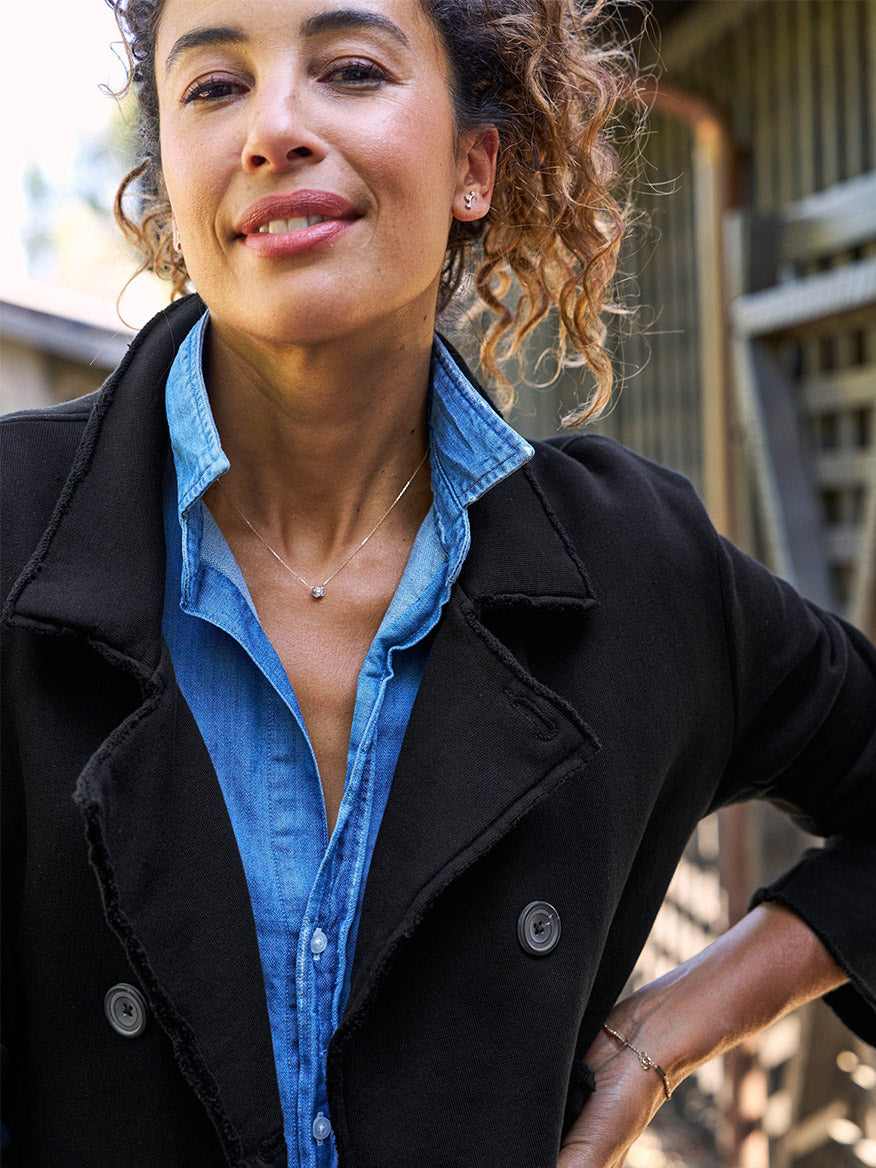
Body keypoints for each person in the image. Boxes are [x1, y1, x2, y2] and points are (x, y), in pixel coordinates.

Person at [2, 1, 874, 1166]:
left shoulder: (638, 570)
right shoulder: (12, 526)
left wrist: (667, 1031)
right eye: (213, 87)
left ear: (475, 164)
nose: (272, 128)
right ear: (171, 182)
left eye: (350, 69)